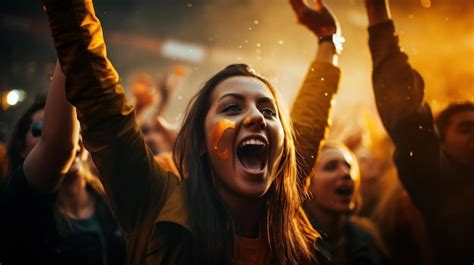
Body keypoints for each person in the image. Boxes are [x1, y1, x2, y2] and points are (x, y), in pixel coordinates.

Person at [41, 0, 342, 264]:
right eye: (232, 108)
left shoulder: (286, 199)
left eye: (267, 110)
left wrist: (329, 39)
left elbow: (310, 118)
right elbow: (97, 92)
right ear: (200, 143)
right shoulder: (156, 202)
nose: (256, 118)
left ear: (284, 148)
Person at [364, 0, 474, 263]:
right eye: (466, 128)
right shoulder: (439, 181)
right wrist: (378, 15)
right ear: (441, 143)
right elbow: (408, 119)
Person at [0, 62, 125, 265]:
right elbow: (59, 147)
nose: (72, 137)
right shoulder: (16, 200)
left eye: (75, 128)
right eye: (41, 129)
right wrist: (71, 46)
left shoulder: (111, 199)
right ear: (21, 148)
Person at [304, 141, 388, 265]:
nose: (346, 173)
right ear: (308, 184)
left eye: (349, 166)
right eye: (331, 167)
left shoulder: (369, 235)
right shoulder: (294, 244)